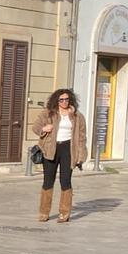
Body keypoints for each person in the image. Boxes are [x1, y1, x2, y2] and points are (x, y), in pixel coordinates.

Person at [31, 88, 87, 222]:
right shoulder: (48, 113)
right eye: (61, 99)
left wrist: (81, 154)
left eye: (67, 99)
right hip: (51, 149)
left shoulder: (77, 116)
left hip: (68, 149)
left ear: (71, 100)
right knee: (48, 181)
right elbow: (35, 127)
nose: (64, 102)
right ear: (56, 100)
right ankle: (44, 212)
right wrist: (44, 129)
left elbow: (82, 137)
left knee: (65, 180)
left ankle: (64, 213)